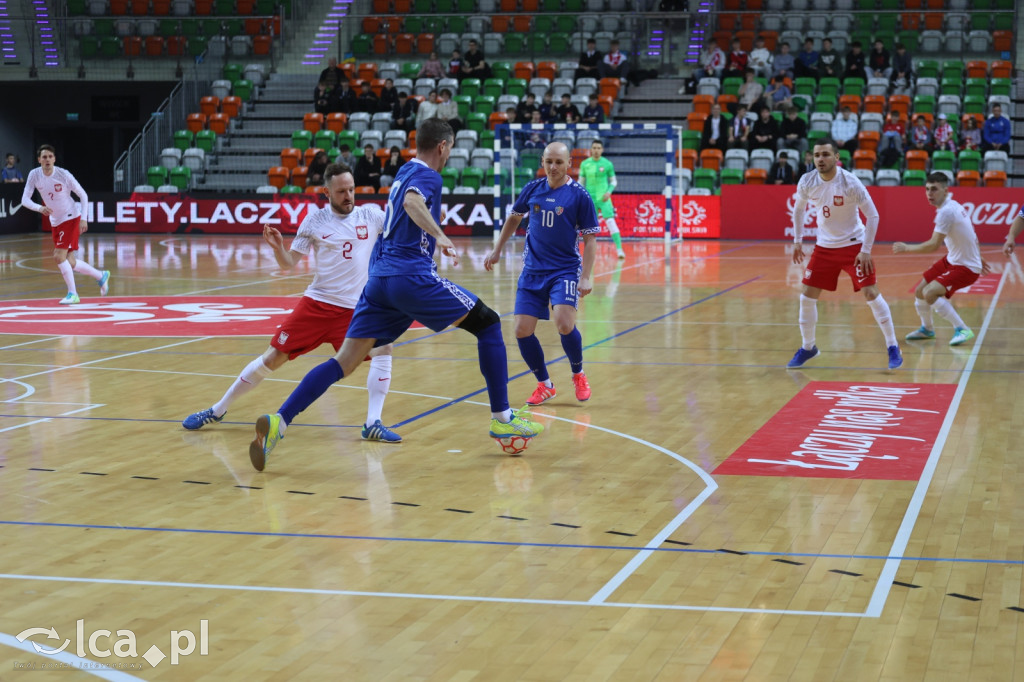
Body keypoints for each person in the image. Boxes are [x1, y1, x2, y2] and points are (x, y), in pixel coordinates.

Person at [248, 119, 543, 471]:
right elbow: (413, 204)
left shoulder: (404, 168)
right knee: (490, 324)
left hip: (379, 281)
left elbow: (404, 202)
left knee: (344, 361)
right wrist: (441, 235)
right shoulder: (429, 176)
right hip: (410, 275)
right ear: (444, 148)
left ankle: (280, 421)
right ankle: (503, 417)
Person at [183, 163, 401, 442]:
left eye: (351, 190)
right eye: (341, 191)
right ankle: (217, 409)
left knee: (384, 349)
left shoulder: (371, 215)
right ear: (326, 192)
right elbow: (288, 264)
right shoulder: (315, 222)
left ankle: (373, 422)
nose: (348, 196)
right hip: (317, 304)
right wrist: (279, 249)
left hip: (356, 310)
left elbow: (400, 229)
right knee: (272, 358)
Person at [484, 141, 599, 407]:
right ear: (542, 162)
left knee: (564, 323)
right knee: (522, 331)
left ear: (569, 163)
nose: (553, 167)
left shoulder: (579, 196)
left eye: (559, 162)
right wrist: (497, 249)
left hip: (565, 270)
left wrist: (586, 276)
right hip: (532, 271)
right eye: (549, 162)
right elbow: (514, 218)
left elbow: (591, 240)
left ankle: (578, 373)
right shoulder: (532, 189)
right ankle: (545, 385)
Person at [788, 138, 902, 370]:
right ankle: (808, 347)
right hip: (824, 246)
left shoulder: (850, 182)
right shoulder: (807, 181)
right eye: (817, 155)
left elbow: (873, 216)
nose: (821, 159)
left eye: (826, 155)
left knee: (871, 293)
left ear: (836, 158)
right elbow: (799, 209)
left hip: (854, 245)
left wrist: (866, 251)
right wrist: (798, 241)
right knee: (807, 296)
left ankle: (892, 346)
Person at [893, 172, 985, 347]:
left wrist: (907, 248)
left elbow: (933, 245)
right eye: (927, 189)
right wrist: (978, 255)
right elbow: (971, 234)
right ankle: (927, 329)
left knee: (930, 293)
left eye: (934, 189)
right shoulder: (954, 204)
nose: (929, 193)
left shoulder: (946, 212)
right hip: (953, 259)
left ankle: (962, 328)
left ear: (945, 190)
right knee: (920, 290)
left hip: (966, 267)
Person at [21, 144, 110, 305]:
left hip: (71, 216)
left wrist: (84, 218)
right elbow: (24, 200)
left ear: (54, 159)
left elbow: (83, 194)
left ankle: (73, 294)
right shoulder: (34, 175)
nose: (47, 160)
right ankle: (101, 275)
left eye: (50, 157)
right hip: (55, 220)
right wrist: (40, 208)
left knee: (58, 256)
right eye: (44, 157)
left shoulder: (63, 175)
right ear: (39, 159)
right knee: (70, 261)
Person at [579, 139, 625, 259]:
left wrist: (609, 192)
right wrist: (581, 195)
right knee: (588, 227)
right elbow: (580, 183)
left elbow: (614, 181)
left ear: (602, 150)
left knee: (610, 222)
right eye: (594, 148)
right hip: (590, 199)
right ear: (591, 149)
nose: (596, 150)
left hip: (604, 199)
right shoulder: (585, 164)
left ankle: (619, 250)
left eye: (598, 148)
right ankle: (587, 251)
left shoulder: (607, 164)